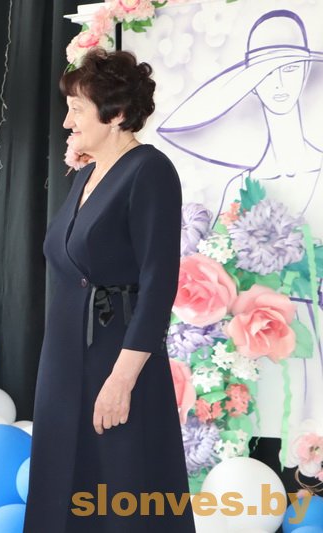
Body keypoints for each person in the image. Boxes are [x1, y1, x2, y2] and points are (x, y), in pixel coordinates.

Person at [24, 49, 194, 532]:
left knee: (120, 491)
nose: (66, 121)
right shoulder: (87, 173)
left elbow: (158, 283)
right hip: (64, 361)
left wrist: (122, 380)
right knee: (62, 491)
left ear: (116, 114)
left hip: (116, 359)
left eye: (77, 109)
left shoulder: (149, 170)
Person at [158, 9, 323, 438]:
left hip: (314, 331)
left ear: (307, 71)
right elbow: (219, 269)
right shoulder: (239, 186)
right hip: (256, 342)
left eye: (290, 68)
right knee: (267, 432)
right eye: (267, 72)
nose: (280, 83)